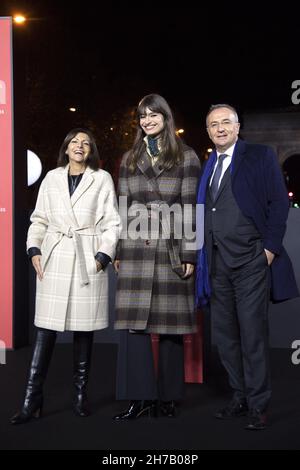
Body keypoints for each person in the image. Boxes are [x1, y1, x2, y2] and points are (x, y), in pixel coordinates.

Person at [196, 104, 299, 430]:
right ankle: (239, 397)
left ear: (238, 127)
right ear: (209, 131)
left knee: (252, 335)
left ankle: (258, 405)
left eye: (226, 122)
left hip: (251, 261)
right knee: (225, 338)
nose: (220, 128)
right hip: (216, 264)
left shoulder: (260, 155)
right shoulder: (208, 164)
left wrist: (268, 250)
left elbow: (278, 203)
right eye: (214, 124)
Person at [10, 128, 121, 424]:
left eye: (86, 142)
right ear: (66, 147)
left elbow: (112, 222)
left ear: (91, 149)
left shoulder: (102, 178)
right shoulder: (51, 178)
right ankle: (32, 399)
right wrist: (34, 248)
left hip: (87, 259)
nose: (80, 146)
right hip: (55, 257)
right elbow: (39, 219)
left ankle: (80, 396)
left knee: (84, 332)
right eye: (74, 141)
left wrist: (102, 256)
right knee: (45, 330)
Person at [113, 93, 201, 420]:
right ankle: (139, 398)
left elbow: (192, 208)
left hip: (171, 245)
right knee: (135, 326)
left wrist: (190, 251)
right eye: (142, 116)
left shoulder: (187, 156)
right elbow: (122, 209)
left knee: (170, 327)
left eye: (153, 115)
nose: (147, 121)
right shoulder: (128, 158)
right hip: (135, 245)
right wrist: (120, 249)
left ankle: (168, 398)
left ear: (165, 117)